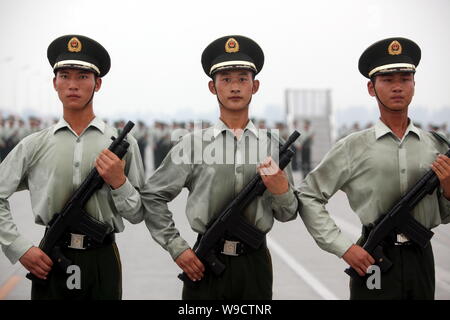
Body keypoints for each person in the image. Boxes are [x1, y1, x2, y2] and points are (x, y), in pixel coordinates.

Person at [141, 35, 299, 299]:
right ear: (213, 87)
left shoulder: (274, 146)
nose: (234, 87)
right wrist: (177, 247)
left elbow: (288, 213)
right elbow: (153, 196)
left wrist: (282, 190)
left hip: (254, 264)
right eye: (226, 79)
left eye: (242, 79)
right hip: (203, 261)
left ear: (255, 86)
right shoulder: (192, 144)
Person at [298, 37, 450, 300]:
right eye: (388, 80)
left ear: (414, 85)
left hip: (421, 257)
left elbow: (446, 215)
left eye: (404, 79)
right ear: (371, 87)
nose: (398, 87)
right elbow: (309, 196)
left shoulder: (434, 146)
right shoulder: (352, 147)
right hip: (373, 256)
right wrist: (344, 247)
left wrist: (448, 189)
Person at [0, 34, 145, 300]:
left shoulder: (121, 143)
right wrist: (19, 248)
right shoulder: (34, 145)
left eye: (82, 77)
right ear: (54, 83)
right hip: (50, 257)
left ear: (97, 83)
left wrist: (119, 183)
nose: (72, 85)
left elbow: (137, 214)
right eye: (65, 76)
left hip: (102, 258)